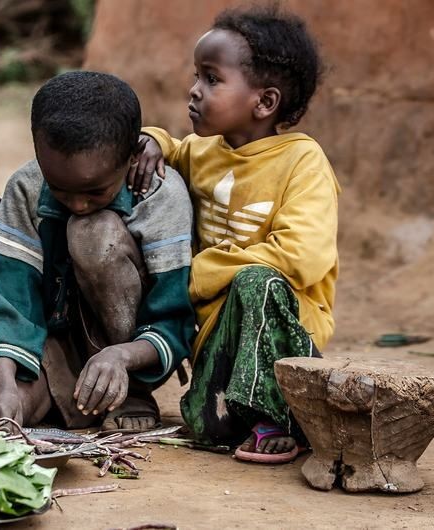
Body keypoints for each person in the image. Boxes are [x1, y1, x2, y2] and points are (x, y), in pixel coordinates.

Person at [131, 5, 340, 463]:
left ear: (264, 103)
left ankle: (286, 418)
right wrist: (151, 140)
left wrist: (202, 271)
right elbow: (172, 146)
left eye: (211, 79)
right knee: (207, 430)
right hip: (216, 328)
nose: (194, 90)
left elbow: (302, 256)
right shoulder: (204, 151)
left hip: (286, 327)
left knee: (255, 281)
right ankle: (240, 412)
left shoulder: (302, 162)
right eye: (196, 75)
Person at [0, 71, 196, 432]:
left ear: (130, 159)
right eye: (60, 190)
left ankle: (132, 392)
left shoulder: (161, 196)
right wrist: (2, 385)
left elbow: (173, 317)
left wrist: (122, 356)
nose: (78, 203)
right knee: (5, 414)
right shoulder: (27, 186)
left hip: (131, 350)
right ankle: (73, 393)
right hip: (55, 340)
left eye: (95, 191)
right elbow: (11, 299)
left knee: (92, 232)